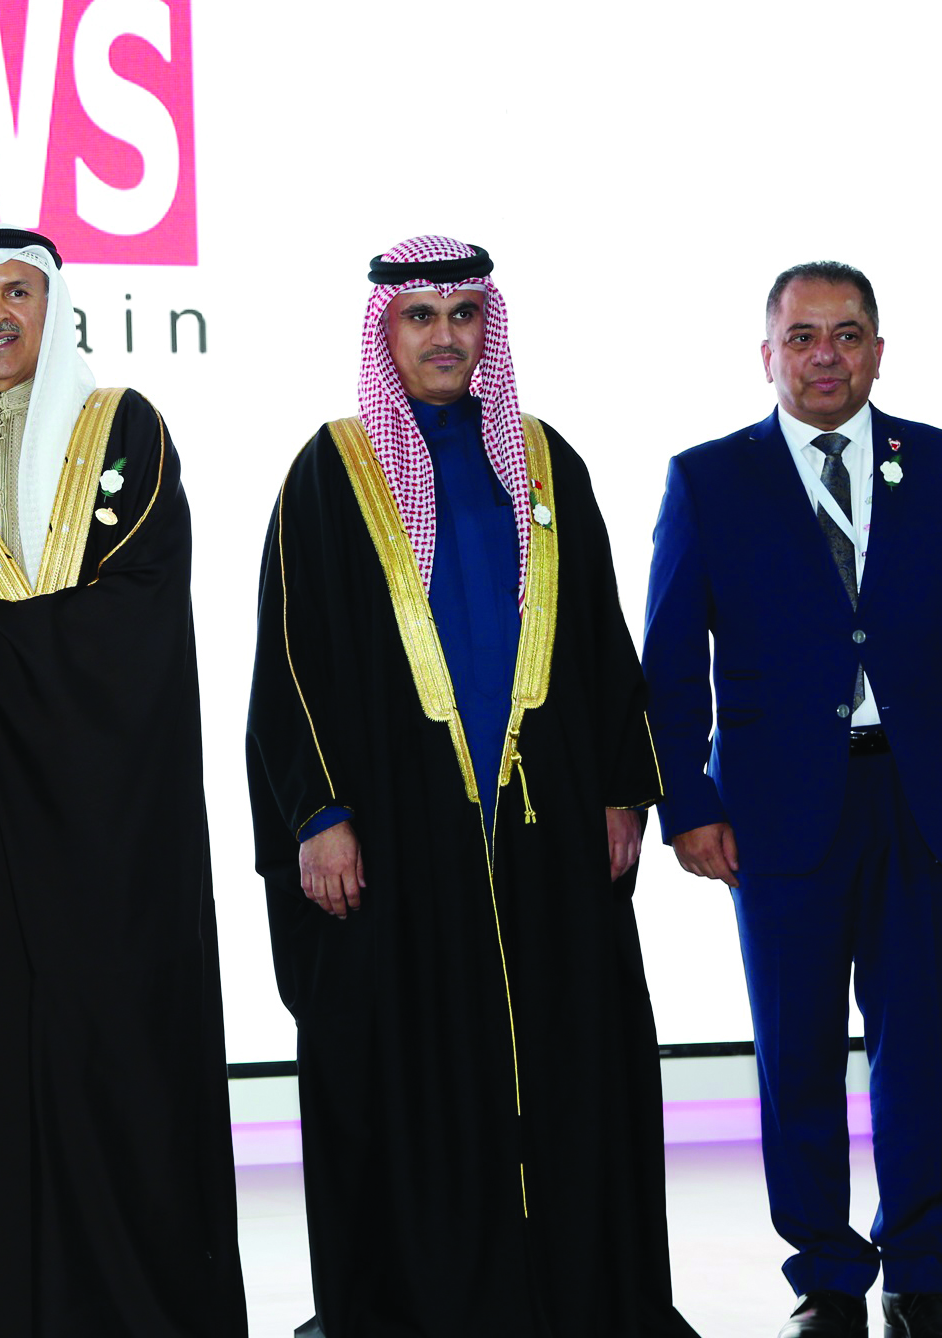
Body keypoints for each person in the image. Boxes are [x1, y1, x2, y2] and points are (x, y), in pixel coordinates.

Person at [247, 236, 697, 1337]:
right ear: (385, 333)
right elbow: (291, 659)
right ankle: (427, 1304)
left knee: (567, 1062)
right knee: (413, 1071)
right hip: (397, 832)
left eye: (462, 314)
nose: (444, 336)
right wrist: (318, 814)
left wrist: (621, 791)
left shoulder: (544, 462)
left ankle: (575, 1298)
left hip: (544, 825)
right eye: (420, 316)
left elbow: (598, 637)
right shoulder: (330, 472)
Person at [643, 261, 942, 1338]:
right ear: (766, 354)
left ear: (878, 350)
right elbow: (669, 666)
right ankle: (825, 1278)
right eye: (803, 336)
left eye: (846, 335)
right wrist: (686, 802)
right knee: (796, 1056)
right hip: (773, 815)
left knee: (915, 1051)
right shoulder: (708, 480)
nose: (824, 356)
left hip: (917, 801)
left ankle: (922, 1278)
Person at [0, 223, 247, 1337]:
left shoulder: (124, 430)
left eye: (16, 292)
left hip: (102, 834)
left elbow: (145, 607)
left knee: (110, 1067)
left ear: (52, 308)